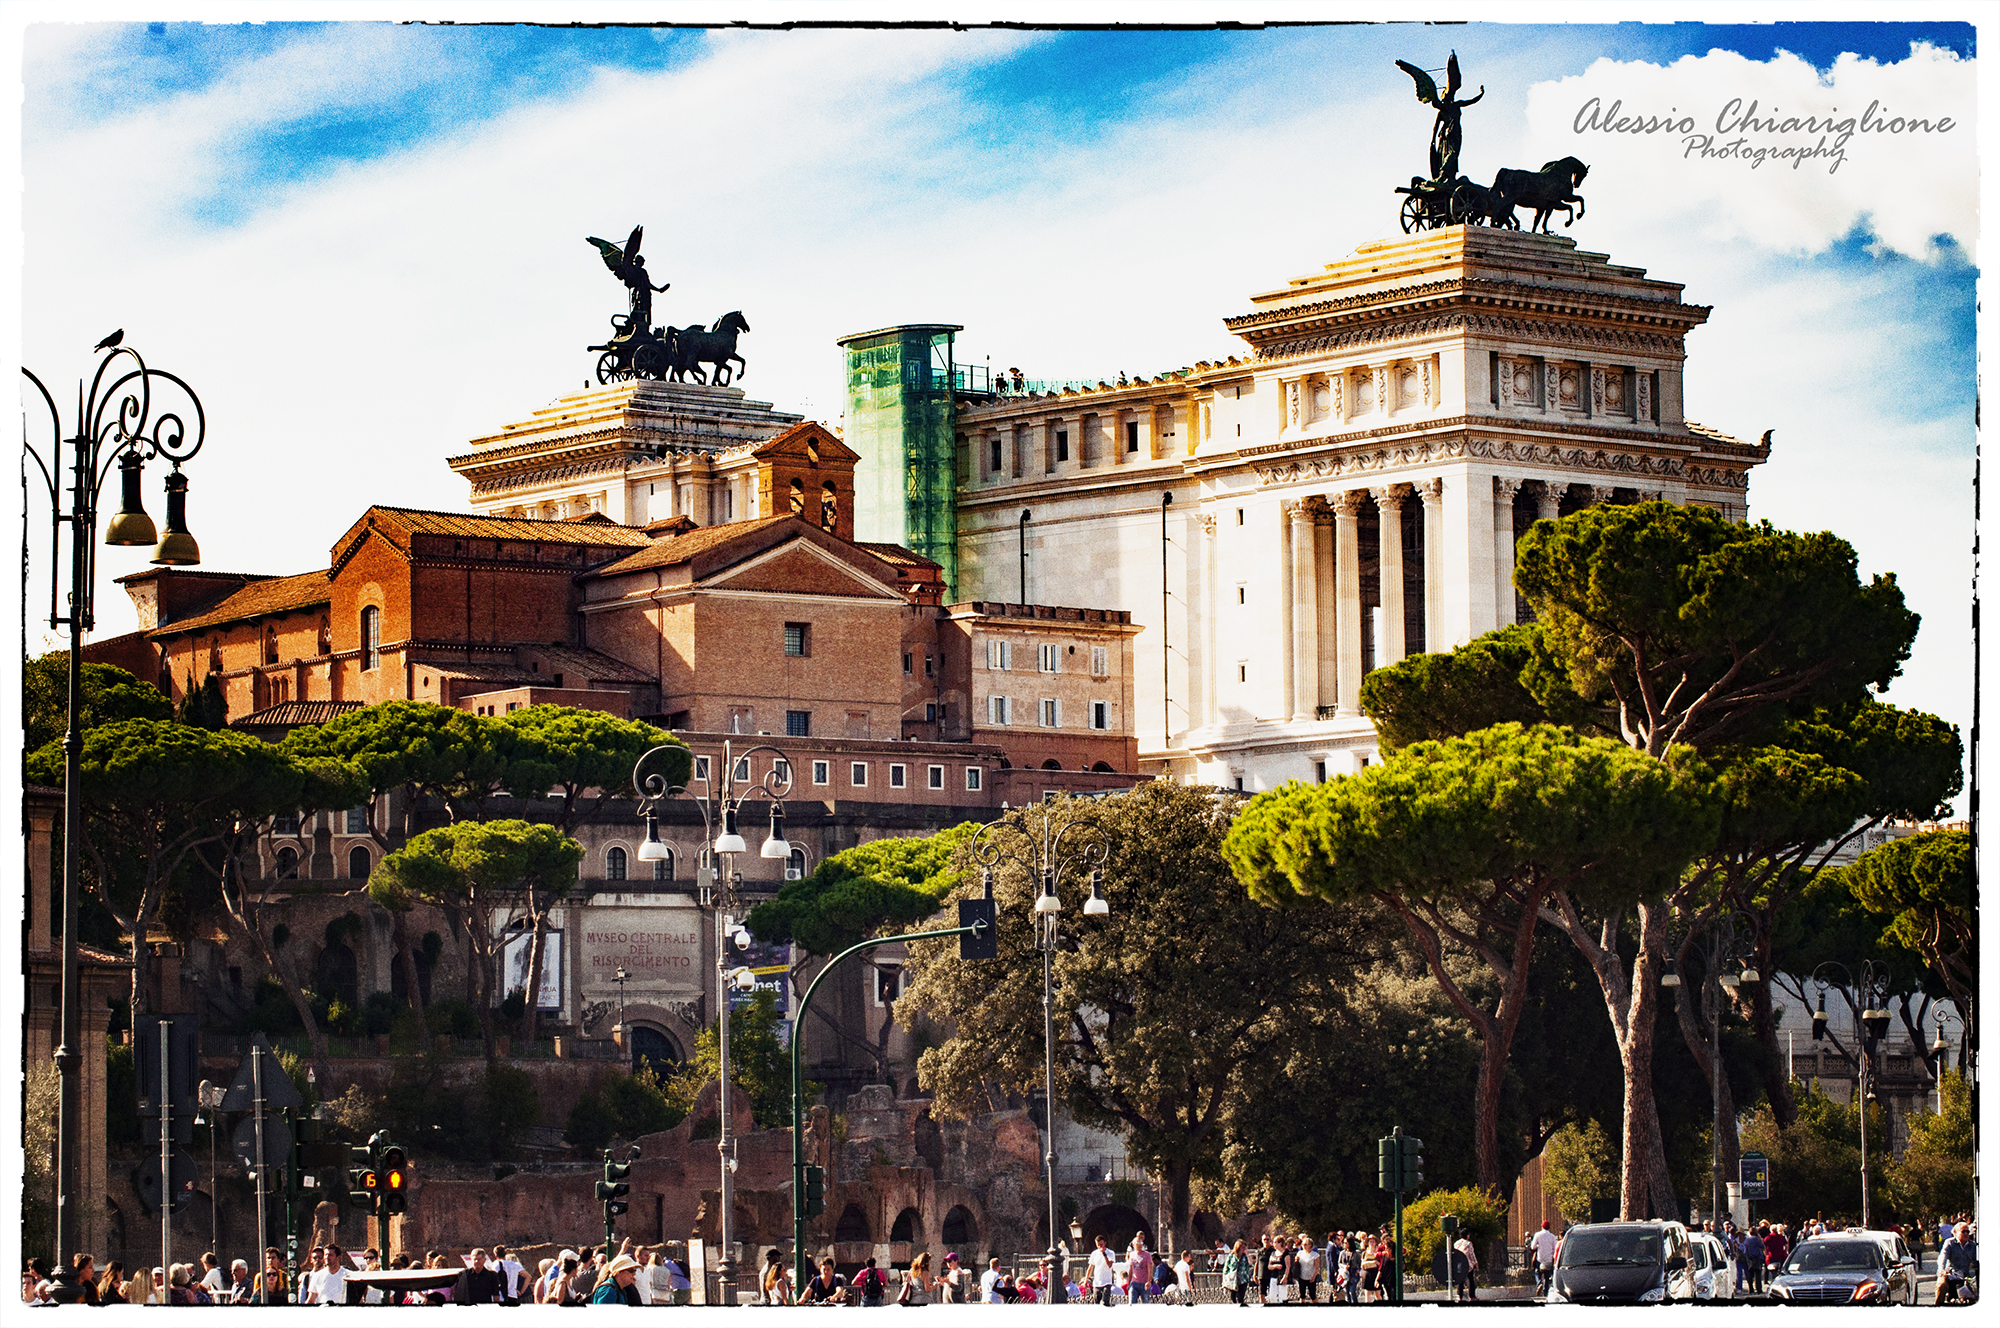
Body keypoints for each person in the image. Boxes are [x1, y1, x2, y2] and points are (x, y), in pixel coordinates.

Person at [1937, 1222, 1976, 1304]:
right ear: (1955, 1232)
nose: (1966, 1234)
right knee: (1941, 1286)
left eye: (1967, 1232)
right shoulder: (1949, 1243)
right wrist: (1942, 1270)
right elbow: (1942, 1258)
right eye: (1963, 1231)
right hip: (1950, 1274)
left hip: (1966, 1276)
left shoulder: (1973, 1245)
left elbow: (1977, 1261)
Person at [1530, 1220, 1559, 1298]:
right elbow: (1554, 1248)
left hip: (1540, 1258)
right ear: (1549, 1227)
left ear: (1542, 1226)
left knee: (1537, 1272)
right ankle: (1545, 1291)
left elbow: (1533, 1246)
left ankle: (1539, 1284)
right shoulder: (1552, 1236)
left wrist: (1538, 1246)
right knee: (1547, 1275)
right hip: (1548, 1259)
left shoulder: (1537, 1235)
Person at [1088, 1235, 1119, 1306]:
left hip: (1107, 1282)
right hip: (1097, 1282)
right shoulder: (1094, 1253)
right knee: (1096, 1302)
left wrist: (1104, 1254)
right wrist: (1086, 1279)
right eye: (1098, 1245)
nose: (1099, 1247)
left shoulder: (1111, 1253)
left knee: (1105, 1302)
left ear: (1105, 1243)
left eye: (1101, 1245)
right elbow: (1090, 1267)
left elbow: (1109, 1265)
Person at [1453, 1229, 1480, 1301]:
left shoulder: (1456, 1243)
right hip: (1467, 1264)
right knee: (1470, 1280)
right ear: (1467, 1236)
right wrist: (1475, 1263)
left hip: (1459, 1263)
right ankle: (1472, 1296)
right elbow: (1471, 1254)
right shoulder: (1469, 1243)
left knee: (1460, 1281)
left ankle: (1460, 1296)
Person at [1128, 1235, 1155, 1305]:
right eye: (1137, 1243)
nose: (1139, 1245)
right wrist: (1129, 1281)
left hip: (1144, 1283)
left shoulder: (1147, 1255)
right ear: (1133, 1245)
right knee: (1131, 1302)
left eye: (1141, 1243)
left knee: (1145, 1303)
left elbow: (1150, 1269)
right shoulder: (1132, 1255)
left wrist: (1149, 1281)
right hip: (1134, 1282)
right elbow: (1131, 1269)